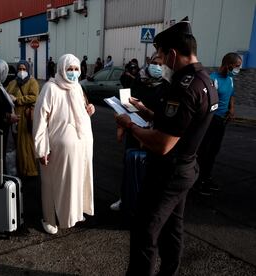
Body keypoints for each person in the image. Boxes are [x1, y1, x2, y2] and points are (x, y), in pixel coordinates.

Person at [114, 17, 218, 275]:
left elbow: (163, 143)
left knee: (144, 232)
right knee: (173, 227)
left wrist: (129, 125)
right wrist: (144, 110)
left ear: (172, 54)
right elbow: (175, 125)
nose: (158, 61)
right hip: (186, 167)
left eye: (159, 55)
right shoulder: (205, 80)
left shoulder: (183, 87)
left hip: (168, 173)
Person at [33, 54, 96, 235]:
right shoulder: (50, 89)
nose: (73, 73)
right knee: (52, 184)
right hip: (56, 150)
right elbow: (40, 121)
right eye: (70, 69)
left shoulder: (77, 87)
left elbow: (79, 113)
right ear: (61, 68)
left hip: (80, 148)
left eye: (76, 69)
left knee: (74, 183)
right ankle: (49, 218)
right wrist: (41, 148)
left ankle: (73, 212)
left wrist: (89, 110)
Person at [110, 53, 166, 212]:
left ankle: (146, 204)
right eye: (155, 63)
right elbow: (126, 104)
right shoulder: (138, 81)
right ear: (149, 63)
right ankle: (125, 199)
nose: (157, 67)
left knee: (150, 169)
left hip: (154, 133)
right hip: (133, 129)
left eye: (161, 65)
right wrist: (121, 125)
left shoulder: (166, 86)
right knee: (129, 163)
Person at [195, 52, 242, 195]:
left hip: (222, 121)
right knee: (204, 151)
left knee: (214, 151)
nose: (237, 70)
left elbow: (232, 94)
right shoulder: (212, 80)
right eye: (236, 66)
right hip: (211, 120)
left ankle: (206, 177)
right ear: (228, 65)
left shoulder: (230, 80)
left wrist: (231, 109)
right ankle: (198, 181)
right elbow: (206, 102)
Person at [6, 60, 40, 177]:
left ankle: (30, 170)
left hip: (25, 117)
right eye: (19, 69)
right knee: (17, 145)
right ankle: (20, 168)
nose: (21, 71)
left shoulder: (32, 82)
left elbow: (34, 97)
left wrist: (17, 100)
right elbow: (6, 94)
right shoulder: (12, 82)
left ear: (28, 69)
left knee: (26, 144)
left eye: (24, 69)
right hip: (13, 117)